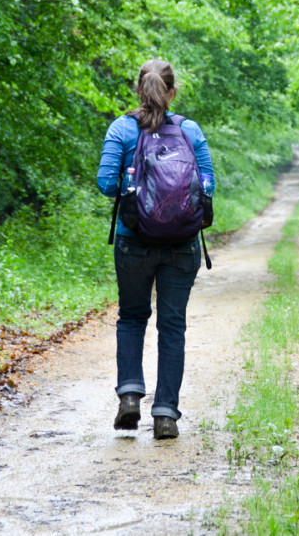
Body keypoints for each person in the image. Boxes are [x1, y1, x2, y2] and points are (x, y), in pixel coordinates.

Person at [97, 59, 214, 440]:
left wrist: (140, 198)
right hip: (182, 244)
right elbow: (208, 184)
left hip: (133, 241)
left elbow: (103, 182)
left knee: (132, 318)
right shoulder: (190, 130)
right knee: (172, 326)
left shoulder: (122, 128)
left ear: (138, 89)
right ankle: (165, 415)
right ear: (172, 92)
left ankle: (130, 394)